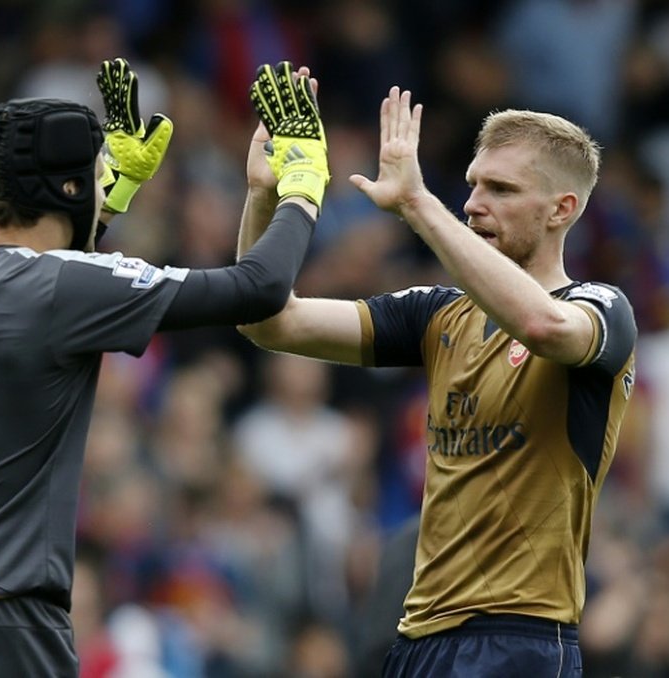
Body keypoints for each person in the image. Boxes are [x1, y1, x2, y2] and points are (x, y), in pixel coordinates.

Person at [0, 57, 329, 677]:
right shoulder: (61, 288)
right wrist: (303, 185)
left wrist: (111, 193)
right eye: (99, 174)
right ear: (70, 190)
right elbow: (259, 288)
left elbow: (34, 285)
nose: (106, 182)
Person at [239, 70, 637, 677]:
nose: (474, 203)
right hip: (417, 637)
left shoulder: (600, 308)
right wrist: (267, 195)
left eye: (501, 189)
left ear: (563, 209)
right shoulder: (436, 313)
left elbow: (544, 327)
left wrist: (417, 203)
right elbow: (269, 322)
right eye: (473, 184)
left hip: (520, 637)